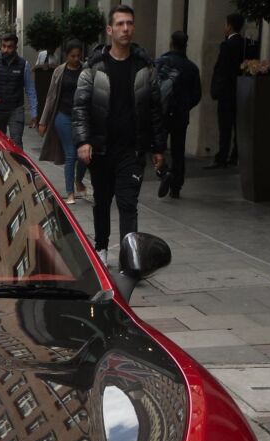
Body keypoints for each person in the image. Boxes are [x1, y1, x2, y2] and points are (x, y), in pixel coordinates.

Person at [74, 4, 165, 264]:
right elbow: (80, 108)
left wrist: (158, 148)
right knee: (102, 201)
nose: (126, 29)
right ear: (110, 29)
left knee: (128, 203)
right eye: (121, 24)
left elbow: (156, 110)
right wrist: (83, 141)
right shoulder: (94, 67)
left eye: (130, 23)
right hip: (101, 148)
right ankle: (101, 247)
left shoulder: (145, 68)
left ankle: (130, 256)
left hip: (131, 149)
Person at [38, 40, 89, 203]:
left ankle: (78, 180)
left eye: (78, 55)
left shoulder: (86, 70)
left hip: (82, 118)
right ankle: (70, 193)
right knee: (71, 154)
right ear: (66, 55)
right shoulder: (59, 71)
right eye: (72, 55)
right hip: (63, 116)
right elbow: (51, 97)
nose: (76, 58)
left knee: (84, 156)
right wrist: (43, 121)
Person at [155, 30, 201, 199]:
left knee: (156, 146)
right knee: (178, 150)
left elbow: (152, 88)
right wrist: (185, 105)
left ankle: (164, 171)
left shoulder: (161, 62)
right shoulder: (192, 68)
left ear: (171, 43)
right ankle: (176, 186)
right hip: (181, 115)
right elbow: (197, 95)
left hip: (162, 113)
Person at [0, 34, 39, 148]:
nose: (6, 50)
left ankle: (17, 165)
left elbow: (30, 90)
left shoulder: (24, 65)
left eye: (9, 47)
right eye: (3, 46)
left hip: (16, 109)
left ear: (15, 48)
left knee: (16, 143)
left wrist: (34, 112)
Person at [207, 13, 244, 168]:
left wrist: (216, 89)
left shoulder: (227, 45)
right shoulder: (245, 44)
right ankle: (235, 155)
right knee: (238, 125)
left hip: (227, 92)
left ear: (229, 26)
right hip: (240, 90)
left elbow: (222, 69)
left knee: (225, 126)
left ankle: (222, 156)